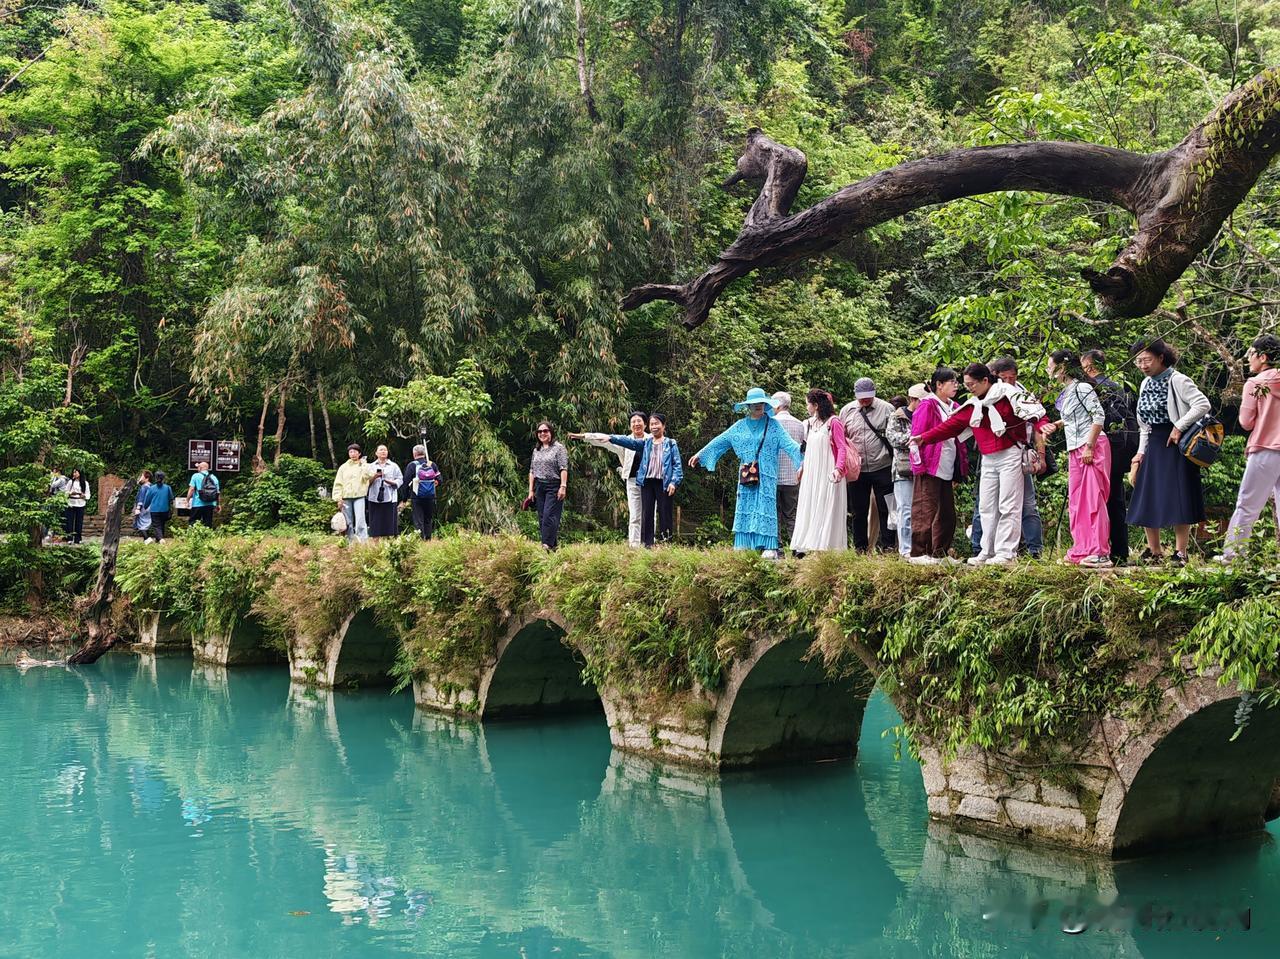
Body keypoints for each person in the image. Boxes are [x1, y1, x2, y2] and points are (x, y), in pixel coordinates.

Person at [913, 363, 1048, 566]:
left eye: (972, 384)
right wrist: (924, 438)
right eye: (966, 385)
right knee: (986, 506)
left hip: (1010, 453)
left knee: (1008, 504)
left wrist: (1044, 428)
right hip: (988, 457)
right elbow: (951, 426)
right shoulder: (974, 404)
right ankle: (987, 550)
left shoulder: (1008, 393)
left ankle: (1006, 552)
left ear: (985, 380)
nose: (969, 389)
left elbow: (1036, 413)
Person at [689, 387, 803, 557]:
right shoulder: (740, 426)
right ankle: (744, 544)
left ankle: (769, 547)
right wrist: (701, 454)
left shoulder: (774, 426)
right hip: (747, 475)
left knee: (766, 508)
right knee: (745, 506)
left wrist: (804, 459)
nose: (758, 405)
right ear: (748, 406)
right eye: (754, 403)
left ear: (765, 404)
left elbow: (791, 445)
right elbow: (720, 441)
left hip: (767, 476)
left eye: (761, 403)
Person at [1127, 339, 1211, 566]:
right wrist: (1139, 454)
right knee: (1147, 495)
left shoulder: (1178, 379)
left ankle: (1180, 553)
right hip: (1153, 442)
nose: (1143, 366)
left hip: (1176, 444)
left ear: (1161, 357)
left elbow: (1202, 404)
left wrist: (1178, 427)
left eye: (1147, 360)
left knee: (1178, 497)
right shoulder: (1145, 383)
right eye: (1138, 361)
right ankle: (1154, 551)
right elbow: (1144, 425)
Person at [969, 357, 1045, 558]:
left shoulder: (1021, 393)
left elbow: (1038, 419)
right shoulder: (986, 395)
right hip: (990, 452)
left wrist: (1042, 454)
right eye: (1004, 378)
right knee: (985, 504)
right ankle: (982, 548)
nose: (1009, 382)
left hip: (1019, 452)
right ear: (994, 377)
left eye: (1013, 377)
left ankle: (1031, 549)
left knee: (1025, 504)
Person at [1044, 351, 1112, 567]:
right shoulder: (1068, 390)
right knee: (1077, 502)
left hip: (1091, 446)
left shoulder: (1082, 387)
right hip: (1076, 448)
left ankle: (1100, 552)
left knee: (1093, 500)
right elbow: (1074, 417)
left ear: (1062, 367)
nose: (1048, 370)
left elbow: (1098, 416)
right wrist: (1056, 425)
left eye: (1050, 366)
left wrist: (1089, 447)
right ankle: (1082, 549)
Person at [1217, 334, 1280, 562]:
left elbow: (1246, 422)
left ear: (1263, 357)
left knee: (1247, 505)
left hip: (1265, 448)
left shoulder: (1255, 383)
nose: (1248, 359)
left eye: (1251, 353)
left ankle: (1234, 555)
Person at [1082, 349, 1138, 564]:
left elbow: (1100, 420)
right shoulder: (1116, 386)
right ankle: (1119, 551)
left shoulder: (1095, 388)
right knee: (1115, 498)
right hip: (1120, 448)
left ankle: (1103, 549)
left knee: (1103, 500)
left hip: (1104, 449)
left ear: (1089, 367)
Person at [594, 414, 683, 547]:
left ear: (663, 426)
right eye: (652, 424)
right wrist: (611, 438)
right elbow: (630, 442)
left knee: (665, 513)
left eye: (657, 423)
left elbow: (677, 465)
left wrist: (673, 482)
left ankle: (666, 543)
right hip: (647, 482)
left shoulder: (670, 443)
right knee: (647, 514)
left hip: (663, 483)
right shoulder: (646, 442)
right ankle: (647, 544)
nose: (654, 426)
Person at [907, 367, 967, 564]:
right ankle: (919, 552)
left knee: (947, 513)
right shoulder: (928, 405)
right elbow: (916, 435)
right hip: (930, 464)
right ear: (939, 385)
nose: (956, 386)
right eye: (952, 382)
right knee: (925, 508)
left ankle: (940, 553)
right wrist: (919, 464)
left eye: (957, 382)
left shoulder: (954, 406)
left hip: (947, 464)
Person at [571, 412, 649, 547]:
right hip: (632, 481)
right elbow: (605, 440)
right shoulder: (624, 441)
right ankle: (634, 545)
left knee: (649, 513)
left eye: (639, 421)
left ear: (645, 424)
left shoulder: (651, 440)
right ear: (630, 426)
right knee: (635, 515)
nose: (636, 424)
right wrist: (585, 436)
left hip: (650, 481)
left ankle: (649, 543)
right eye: (633, 422)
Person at [840, 377, 896, 552]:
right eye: (861, 397)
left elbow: (894, 436)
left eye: (868, 396)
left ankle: (888, 546)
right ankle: (860, 547)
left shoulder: (887, 409)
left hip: (882, 465)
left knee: (886, 508)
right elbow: (842, 439)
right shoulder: (847, 411)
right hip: (857, 469)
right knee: (859, 510)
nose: (865, 400)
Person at [790, 389, 849, 554]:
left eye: (808, 404)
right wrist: (802, 466)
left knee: (826, 504)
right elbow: (807, 449)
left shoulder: (834, 422)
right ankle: (808, 544)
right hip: (812, 471)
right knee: (810, 504)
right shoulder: (809, 423)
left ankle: (826, 546)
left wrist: (838, 468)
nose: (806, 407)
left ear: (815, 405)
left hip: (828, 470)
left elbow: (842, 447)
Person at [886, 387, 926, 558]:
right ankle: (906, 549)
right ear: (913, 399)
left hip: (924, 468)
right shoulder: (897, 416)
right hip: (903, 469)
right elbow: (893, 438)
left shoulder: (927, 415)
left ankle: (922, 548)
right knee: (906, 509)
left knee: (923, 510)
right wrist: (918, 438)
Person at [772, 392, 807, 549]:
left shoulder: (771, 423)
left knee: (774, 515)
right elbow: (803, 451)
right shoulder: (800, 424)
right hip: (793, 476)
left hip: (773, 476)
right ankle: (797, 547)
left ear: (777, 405)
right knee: (791, 514)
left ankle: (777, 548)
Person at [528, 422, 569, 549]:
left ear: (551, 432)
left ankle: (546, 545)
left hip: (554, 486)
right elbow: (532, 471)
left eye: (545, 431)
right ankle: (553, 547)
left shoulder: (559, 448)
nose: (542, 433)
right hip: (539, 486)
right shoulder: (537, 450)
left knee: (549, 516)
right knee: (542, 517)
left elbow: (563, 468)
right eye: (539, 432)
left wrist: (563, 486)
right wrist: (531, 491)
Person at [331, 444, 371, 543]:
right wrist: (338, 498)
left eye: (355, 452)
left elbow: (368, 476)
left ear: (359, 453)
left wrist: (364, 464)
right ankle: (350, 542)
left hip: (359, 496)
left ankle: (363, 542)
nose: (353, 454)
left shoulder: (364, 465)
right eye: (351, 452)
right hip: (346, 497)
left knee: (360, 520)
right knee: (348, 521)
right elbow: (338, 483)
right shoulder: (343, 467)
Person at [364, 444, 403, 538]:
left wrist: (391, 482)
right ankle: (375, 541)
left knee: (389, 521)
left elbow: (400, 479)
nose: (383, 451)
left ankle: (389, 541)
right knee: (375, 521)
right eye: (381, 450)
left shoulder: (393, 466)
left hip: (390, 496)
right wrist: (375, 476)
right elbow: (365, 483)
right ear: (376, 453)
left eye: (385, 450)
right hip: (374, 497)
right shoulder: (370, 466)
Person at [405, 444, 443, 540]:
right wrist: (434, 484)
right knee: (428, 518)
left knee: (418, 519)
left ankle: (420, 539)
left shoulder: (412, 465)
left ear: (414, 454)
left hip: (416, 496)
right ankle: (428, 539)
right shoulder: (432, 464)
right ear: (424, 454)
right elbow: (440, 480)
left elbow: (405, 482)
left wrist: (405, 498)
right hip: (430, 496)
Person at [186, 460, 220, 528]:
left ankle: (194, 534)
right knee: (207, 524)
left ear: (200, 468)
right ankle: (207, 534)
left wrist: (187, 501)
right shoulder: (214, 477)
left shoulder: (195, 476)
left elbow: (191, 489)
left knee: (193, 523)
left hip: (197, 504)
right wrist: (218, 504)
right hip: (210, 504)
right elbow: (218, 492)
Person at [63, 468, 91, 544]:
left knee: (79, 522)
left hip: (80, 503)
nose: (74, 474)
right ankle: (69, 538)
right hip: (71, 503)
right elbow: (65, 492)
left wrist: (83, 496)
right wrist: (70, 493)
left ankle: (78, 539)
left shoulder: (85, 483)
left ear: (80, 473)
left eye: (76, 472)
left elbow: (88, 494)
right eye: (73, 472)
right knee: (69, 521)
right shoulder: (70, 482)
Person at [144, 471, 174, 542]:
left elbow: (147, 499)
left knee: (157, 525)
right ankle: (158, 540)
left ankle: (161, 539)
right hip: (165, 509)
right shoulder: (168, 488)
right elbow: (171, 498)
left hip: (154, 510)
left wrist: (145, 506)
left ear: (155, 478)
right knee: (162, 524)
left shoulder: (151, 488)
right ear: (163, 478)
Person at [133, 470, 153, 537]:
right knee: (146, 524)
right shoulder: (152, 487)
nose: (140, 478)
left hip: (143, 508)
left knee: (141, 525)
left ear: (147, 478)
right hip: (150, 507)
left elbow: (141, 499)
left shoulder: (144, 487)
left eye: (142, 476)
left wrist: (138, 508)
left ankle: (147, 539)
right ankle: (146, 540)